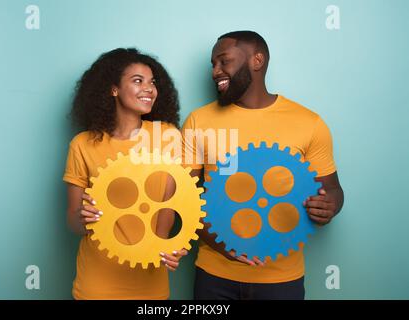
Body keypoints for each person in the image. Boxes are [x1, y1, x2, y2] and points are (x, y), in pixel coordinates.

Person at [182, 31, 344, 300]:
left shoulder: (309, 123)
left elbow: (333, 189)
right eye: (213, 64)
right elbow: (183, 198)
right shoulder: (198, 121)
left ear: (257, 60)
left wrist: (330, 206)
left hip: (282, 279)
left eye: (224, 61)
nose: (215, 72)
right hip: (214, 274)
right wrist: (220, 246)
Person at [63, 48, 187, 300]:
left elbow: (169, 207)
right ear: (113, 89)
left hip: (149, 281)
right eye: (138, 81)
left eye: (152, 82)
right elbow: (73, 221)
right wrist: (83, 219)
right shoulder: (82, 144)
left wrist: (167, 247)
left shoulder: (168, 136)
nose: (149, 88)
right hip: (96, 283)